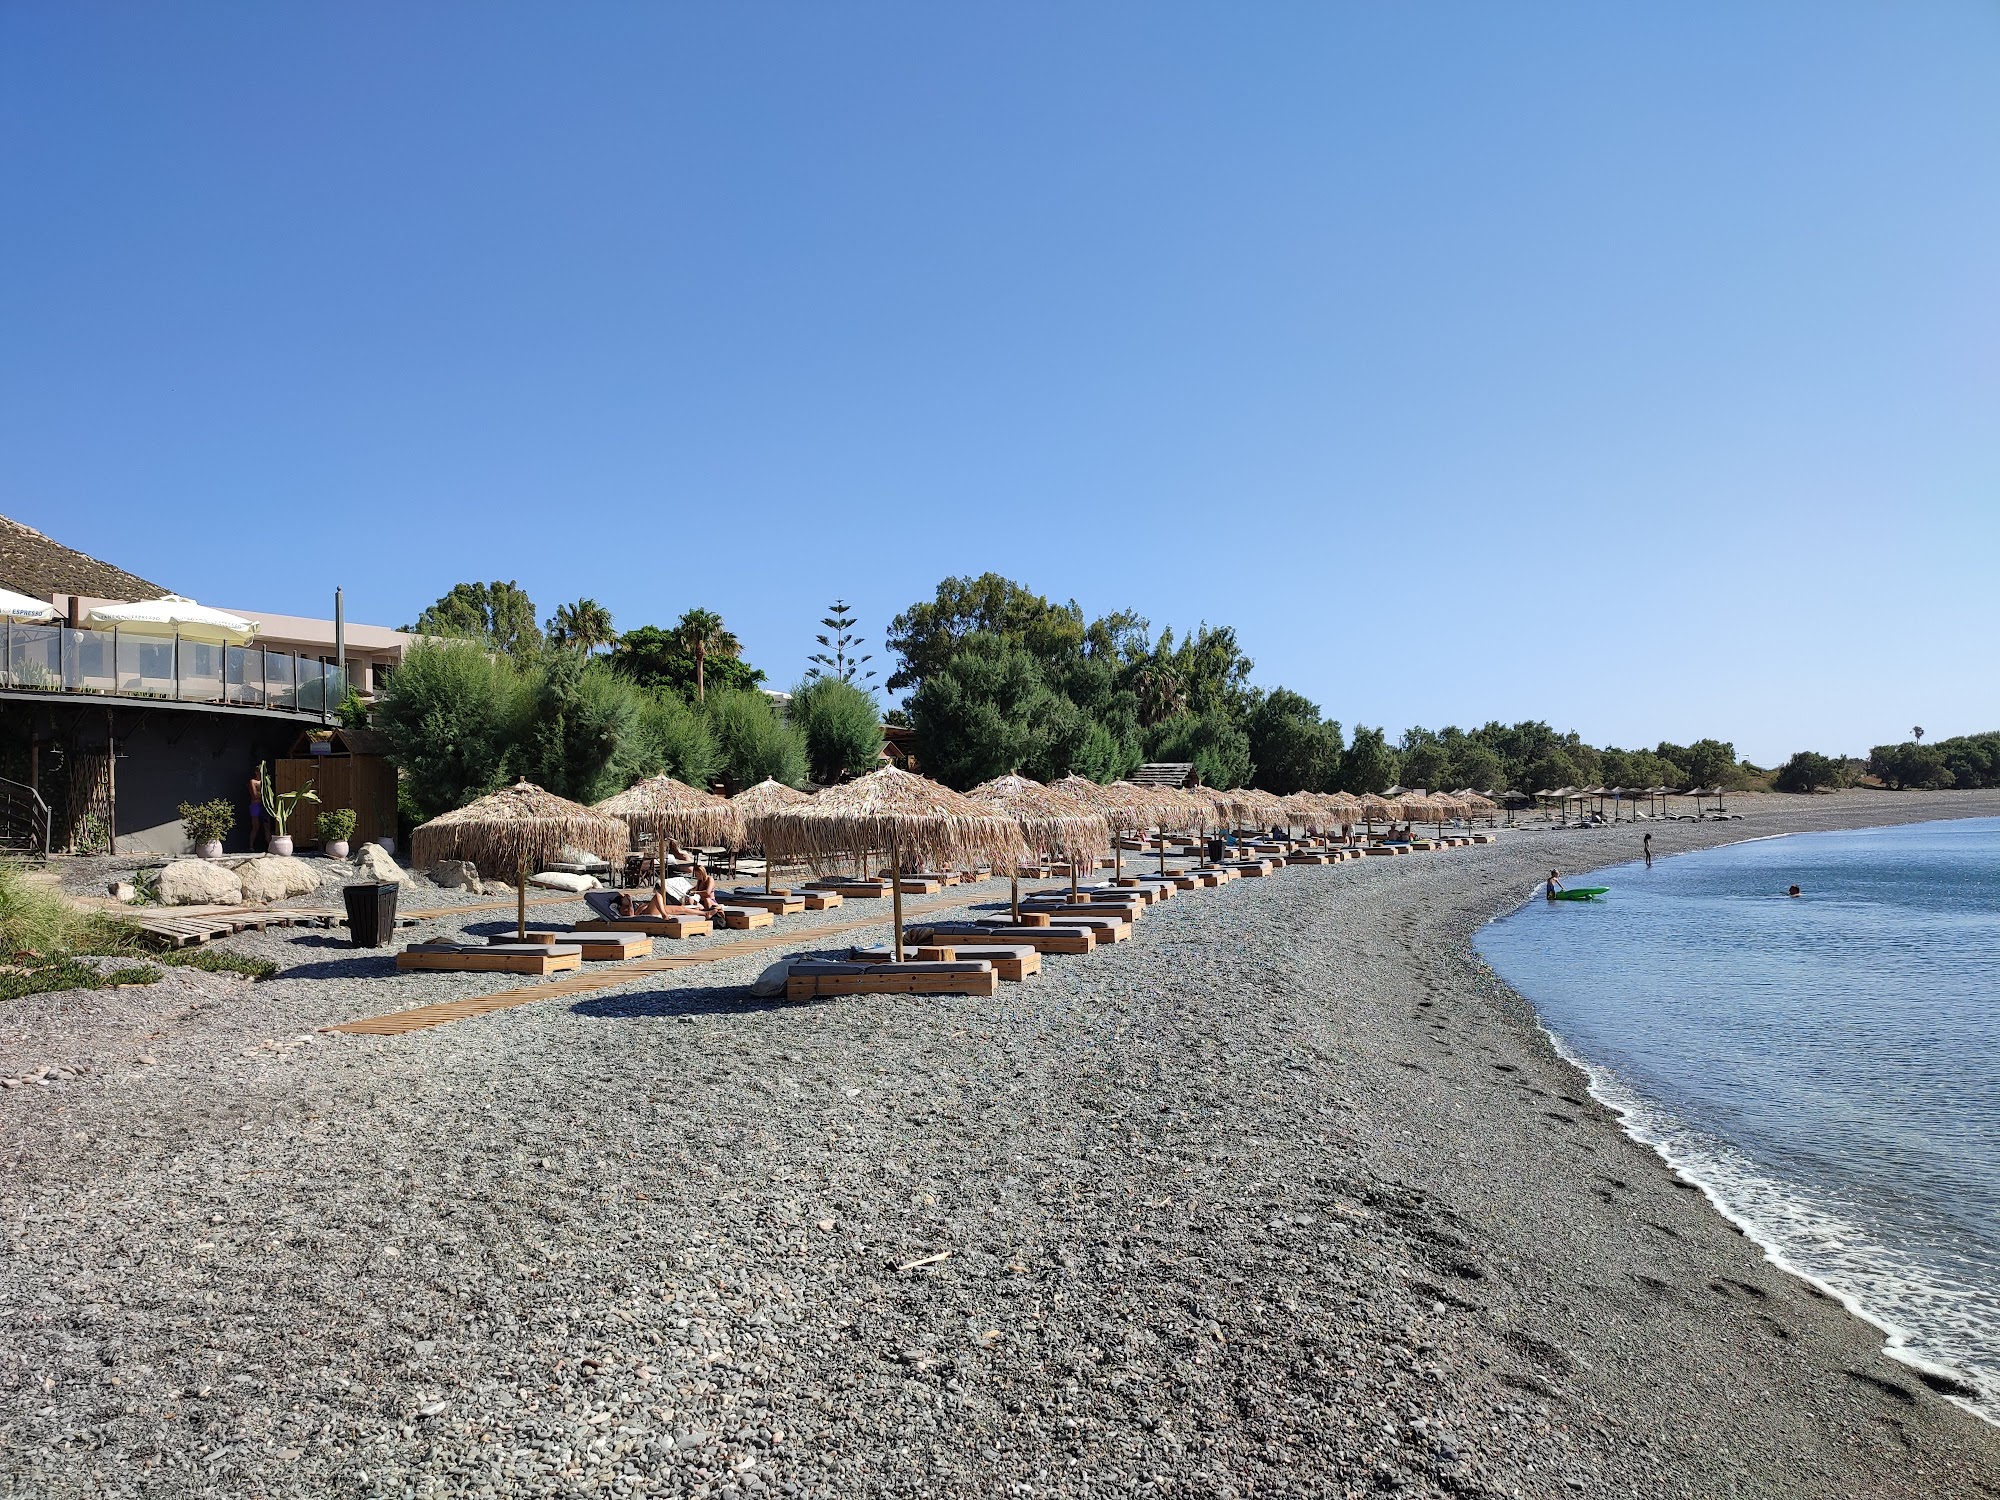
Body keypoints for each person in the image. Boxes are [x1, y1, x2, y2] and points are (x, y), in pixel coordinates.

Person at [247, 768, 266, 852]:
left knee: (267, 826)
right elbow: (254, 795)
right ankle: (251, 846)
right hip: (255, 805)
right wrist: (264, 796)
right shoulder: (252, 782)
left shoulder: (265, 782)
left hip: (264, 806)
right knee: (256, 826)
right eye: (259, 772)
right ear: (256, 772)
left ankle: (270, 846)